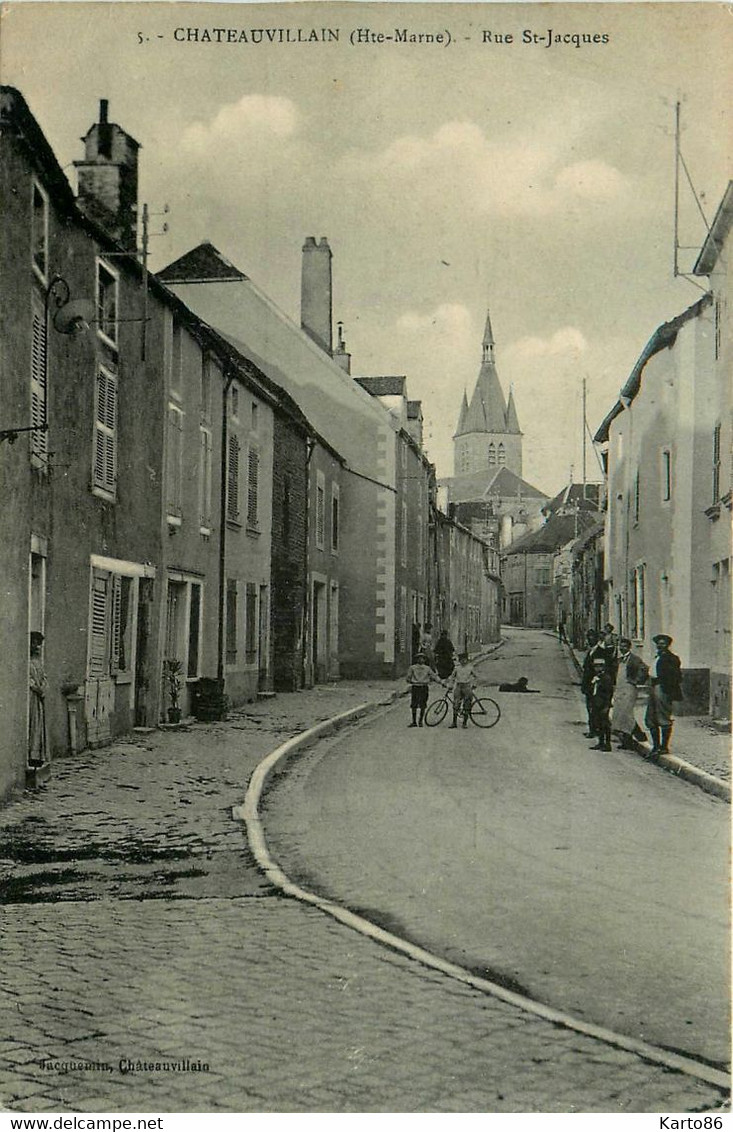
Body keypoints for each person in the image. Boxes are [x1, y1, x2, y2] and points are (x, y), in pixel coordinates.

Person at [645, 634, 683, 755]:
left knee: (663, 716)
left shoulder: (672, 658)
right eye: (658, 643)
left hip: (662, 688)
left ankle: (664, 746)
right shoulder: (657, 657)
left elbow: (676, 677)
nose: (660, 645)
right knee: (651, 717)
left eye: (662, 643)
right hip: (653, 686)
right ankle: (656, 746)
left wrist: (667, 690)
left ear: (668, 645)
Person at [611, 638, 649, 750]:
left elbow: (644, 669)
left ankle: (633, 737)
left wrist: (636, 681)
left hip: (629, 689)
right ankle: (630, 737)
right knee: (619, 714)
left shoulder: (634, 659)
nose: (622, 648)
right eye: (620, 646)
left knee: (626, 713)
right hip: (619, 688)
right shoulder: (619, 660)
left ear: (629, 647)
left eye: (624, 646)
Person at [405, 652, 443, 728]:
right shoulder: (412, 668)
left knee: (423, 704)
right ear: (416, 659)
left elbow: (434, 676)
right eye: (419, 658)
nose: (421, 659)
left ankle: (420, 721)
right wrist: (411, 681)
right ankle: (414, 721)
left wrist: (441, 682)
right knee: (414, 705)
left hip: (424, 687)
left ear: (424, 660)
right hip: (416, 687)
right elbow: (408, 677)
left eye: (422, 658)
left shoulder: (427, 668)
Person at [28, 631, 48, 767]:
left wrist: (43, 688)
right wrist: (35, 688)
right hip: (30, 697)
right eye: (34, 643)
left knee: (38, 725)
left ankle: (37, 756)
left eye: (38, 644)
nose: (37, 646)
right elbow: (27, 679)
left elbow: (44, 678)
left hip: (38, 698)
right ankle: (30, 755)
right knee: (31, 723)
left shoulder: (38, 662)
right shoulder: (26, 662)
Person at [588, 654, 614, 751]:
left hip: (603, 704)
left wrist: (607, 705)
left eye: (599, 666)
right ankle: (600, 742)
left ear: (603, 667)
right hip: (596, 703)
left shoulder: (606, 678)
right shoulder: (597, 677)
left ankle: (607, 744)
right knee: (598, 723)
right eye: (595, 666)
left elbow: (608, 692)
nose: (597, 668)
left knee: (605, 725)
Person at [580, 629, 601, 737]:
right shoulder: (591, 650)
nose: (589, 639)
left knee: (594, 707)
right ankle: (592, 729)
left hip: (595, 684)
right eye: (588, 637)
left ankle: (594, 730)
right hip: (588, 684)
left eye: (592, 637)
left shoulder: (600, 651)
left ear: (597, 639)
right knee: (590, 707)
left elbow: (600, 669)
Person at [449, 653, 477, 728]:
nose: (463, 661)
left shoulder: (470, 668)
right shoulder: (457, 668)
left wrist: (474, 684)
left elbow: (476, 676)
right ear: (459, 660)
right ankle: (454, 723)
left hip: (467, 686)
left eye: (465, 660)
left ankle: (464, 723)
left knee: (467, 704)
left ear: (467, 660)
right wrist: (450, 685)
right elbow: (452, 677)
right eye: (461, 660)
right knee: (456, 704)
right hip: (458, 686)